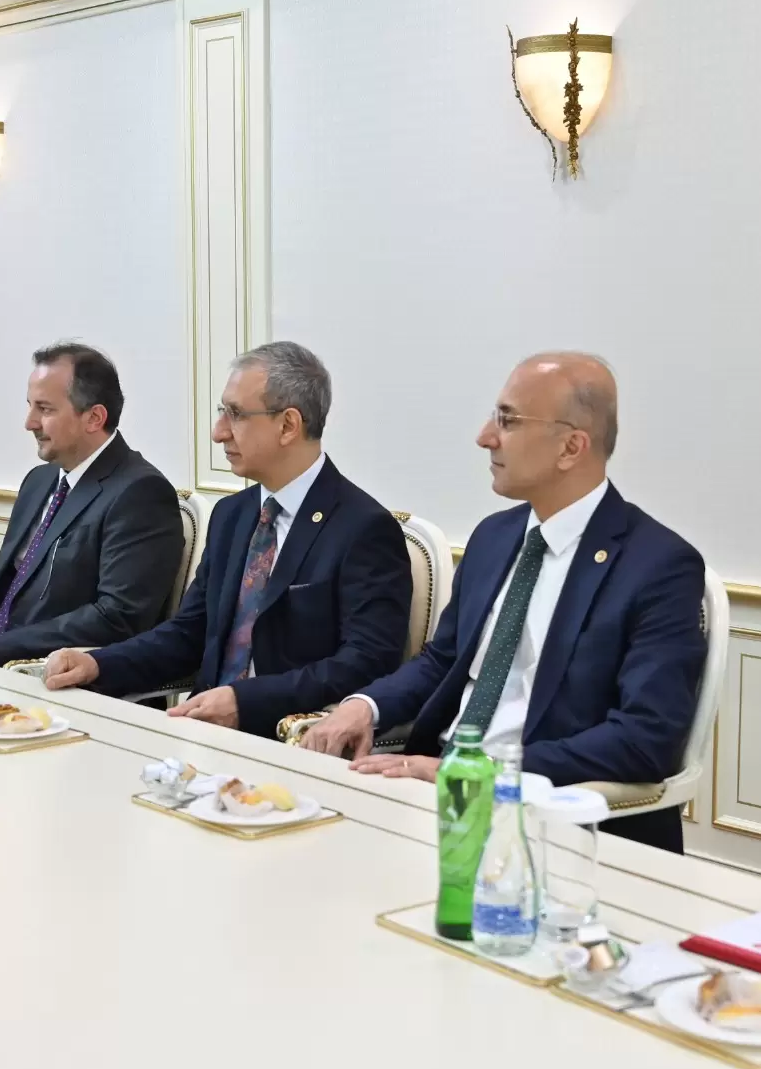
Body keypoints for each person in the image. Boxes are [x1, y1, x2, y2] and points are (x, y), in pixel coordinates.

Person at [300, 352, 706, 852]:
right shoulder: (495, 536)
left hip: (550, 823)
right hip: (431, 790)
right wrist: (364, 706)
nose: (485, 437)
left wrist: (483, 773)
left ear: (571, 447)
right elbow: (443, 661)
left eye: (508, 421)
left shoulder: (658, 565)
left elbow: (645, 738)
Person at [41, 342, 409, 740]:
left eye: (235, 414)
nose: (218, 433)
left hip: (287, 743)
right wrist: (99, 663)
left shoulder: (363, 528)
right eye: (222, 412)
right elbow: (189, 633)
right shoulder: (233, 515)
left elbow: (365, 663)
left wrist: (245, 701)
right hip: (197, 735)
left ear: (288, 425)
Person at [0, 342, 183, 666]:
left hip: (50, 674)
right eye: (30, 406)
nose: (29, 423)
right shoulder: (39, 480)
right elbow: (0, 583)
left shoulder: (141, 493)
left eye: (45, 409)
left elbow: (116, 617)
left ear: (94, 418)